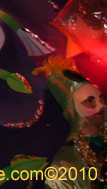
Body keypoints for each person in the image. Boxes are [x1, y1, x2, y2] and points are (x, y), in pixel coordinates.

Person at [33, 57, 107, 189]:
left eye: (100, 98)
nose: (100, 105)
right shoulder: (64, 165)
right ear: (73, 107)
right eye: (90, 101)